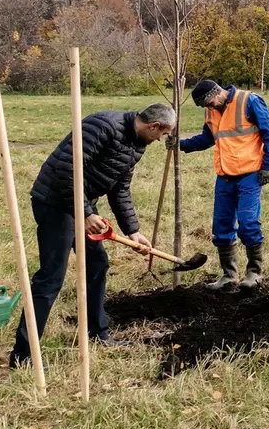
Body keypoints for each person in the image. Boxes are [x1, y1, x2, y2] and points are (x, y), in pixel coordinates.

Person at [9, 104, 174, 368]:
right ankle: (24, 354)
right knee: (51, 277)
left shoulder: (136, 145)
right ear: (154, 126)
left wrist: (133, 231)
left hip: (82, 202)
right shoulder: (103, 126)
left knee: (97, 263)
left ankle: (97, 333)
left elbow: (119, 189)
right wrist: (84, 213)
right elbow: (68, 169)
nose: (162, 139)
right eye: (163, 133)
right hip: (55, 201)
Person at [172, 79, 269, 290]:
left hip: (250, 174)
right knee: (221, 227)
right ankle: (229, 276)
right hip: (225, 176)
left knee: (248, 224)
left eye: (209, 102)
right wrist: (181, 145)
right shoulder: (211, 111)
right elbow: (207, 138)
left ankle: (254, 273)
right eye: (205, 106)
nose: (209, 107)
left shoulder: (248, 101)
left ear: (217, 92)